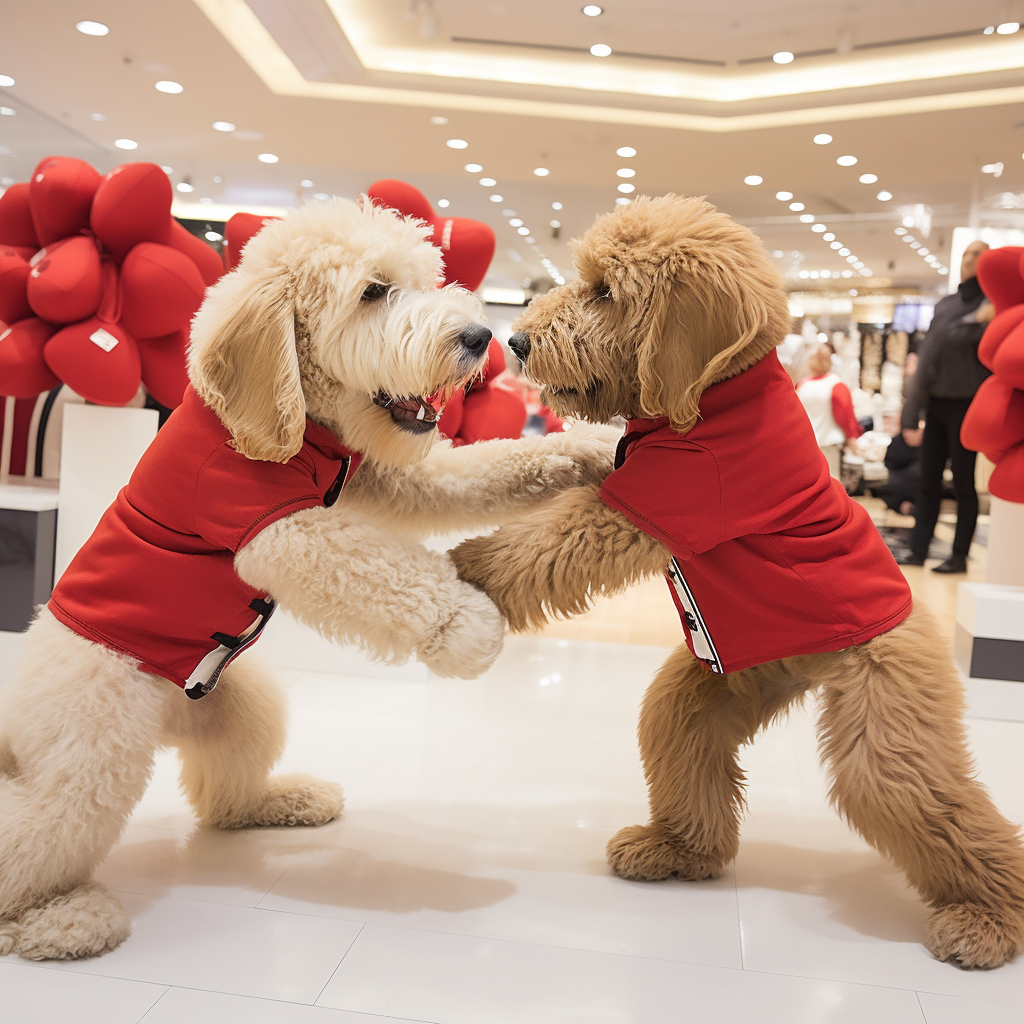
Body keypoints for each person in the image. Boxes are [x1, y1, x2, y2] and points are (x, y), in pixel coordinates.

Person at [896, 240, 994, 572]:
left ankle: (959, 556)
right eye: (966, 254)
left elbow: (953, 340)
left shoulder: (994, 306)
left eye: (978, 254)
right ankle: (919, 549)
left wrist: (978, 320)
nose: (969, 260)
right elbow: (927, 360)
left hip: (968, 406)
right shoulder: (948, 304)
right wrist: (911, 414)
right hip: (936, 405)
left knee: (964, 483)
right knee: (928, 480)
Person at [796, 343, 863, 479]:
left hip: (806, 445)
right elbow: (845, 416)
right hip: (830, 444)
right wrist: (852, 439)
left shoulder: (802, 386)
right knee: (832, 483)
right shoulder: (836, 385)